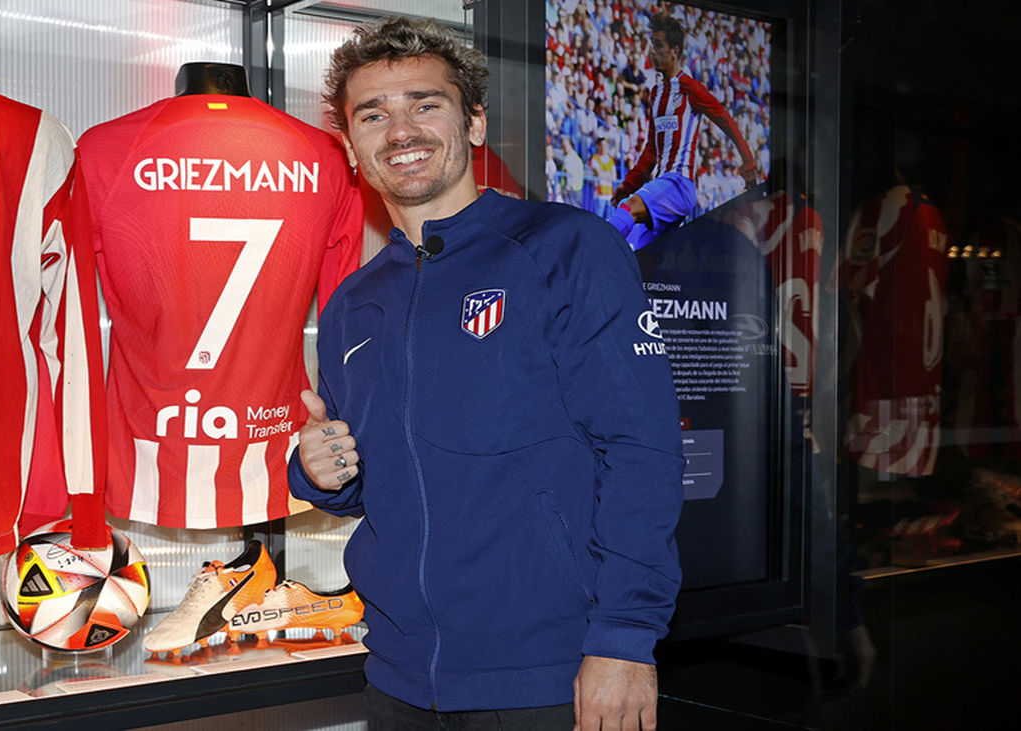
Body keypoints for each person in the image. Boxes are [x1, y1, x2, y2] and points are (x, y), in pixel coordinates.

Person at [287, 16, 684, 730]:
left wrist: (625, 638)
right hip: (399, 678)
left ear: (474, 123)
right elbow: (374, 481)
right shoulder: (351, 303)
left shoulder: (565, 249)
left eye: (425, 104)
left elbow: (643, 453)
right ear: (351, 146)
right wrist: (322, 472)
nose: (400, 130)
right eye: (373, 114)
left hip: (554, 674)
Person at [607, 12, 758, 250]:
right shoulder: (656, 94)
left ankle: (590, 250)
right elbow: (651, 151)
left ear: (674, 51)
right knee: (636, 253)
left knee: (628, 208)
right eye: (651, 44)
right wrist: (628, 184)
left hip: (679, 184)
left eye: (658, 45)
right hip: (665, 189)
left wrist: (748, 165)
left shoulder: (690, 89)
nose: (651, 51)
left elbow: (726, 120)